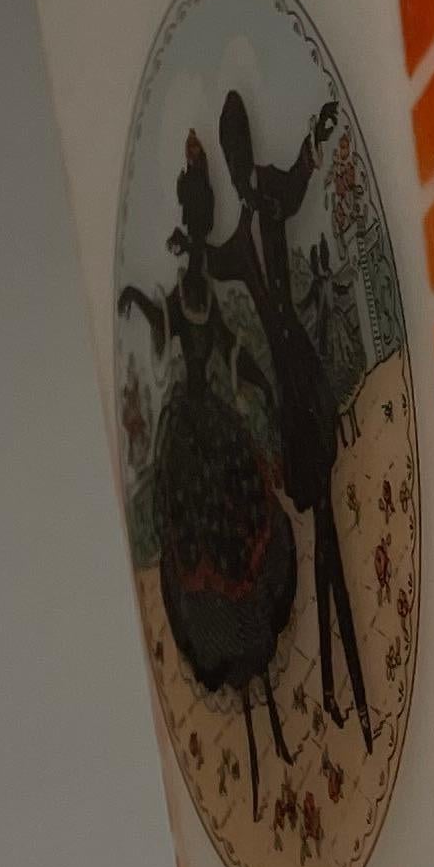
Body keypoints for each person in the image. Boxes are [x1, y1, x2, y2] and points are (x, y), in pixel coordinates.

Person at [118, 136, 299, 800]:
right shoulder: (180, 300)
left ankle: (270, 717)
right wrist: (137, 302)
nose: (191, 254)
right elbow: (163, 326)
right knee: (203, 562)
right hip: (194, 437)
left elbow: (230, 353)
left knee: (239, 552)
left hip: (209, 437)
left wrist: (264, 389)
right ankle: (255, 733)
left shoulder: (204, 301)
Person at [208, 85, 373, 750]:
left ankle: (349, 690)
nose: (242, 159)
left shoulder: (272, 195)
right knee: (320, 525)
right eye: (233, 151)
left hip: (299, 369)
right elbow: (206, 268)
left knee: (330, 522)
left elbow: (304, 175)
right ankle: (338, 687)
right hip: (278, 384)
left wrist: (317, 132)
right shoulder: (234, 238)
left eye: (243, 145)